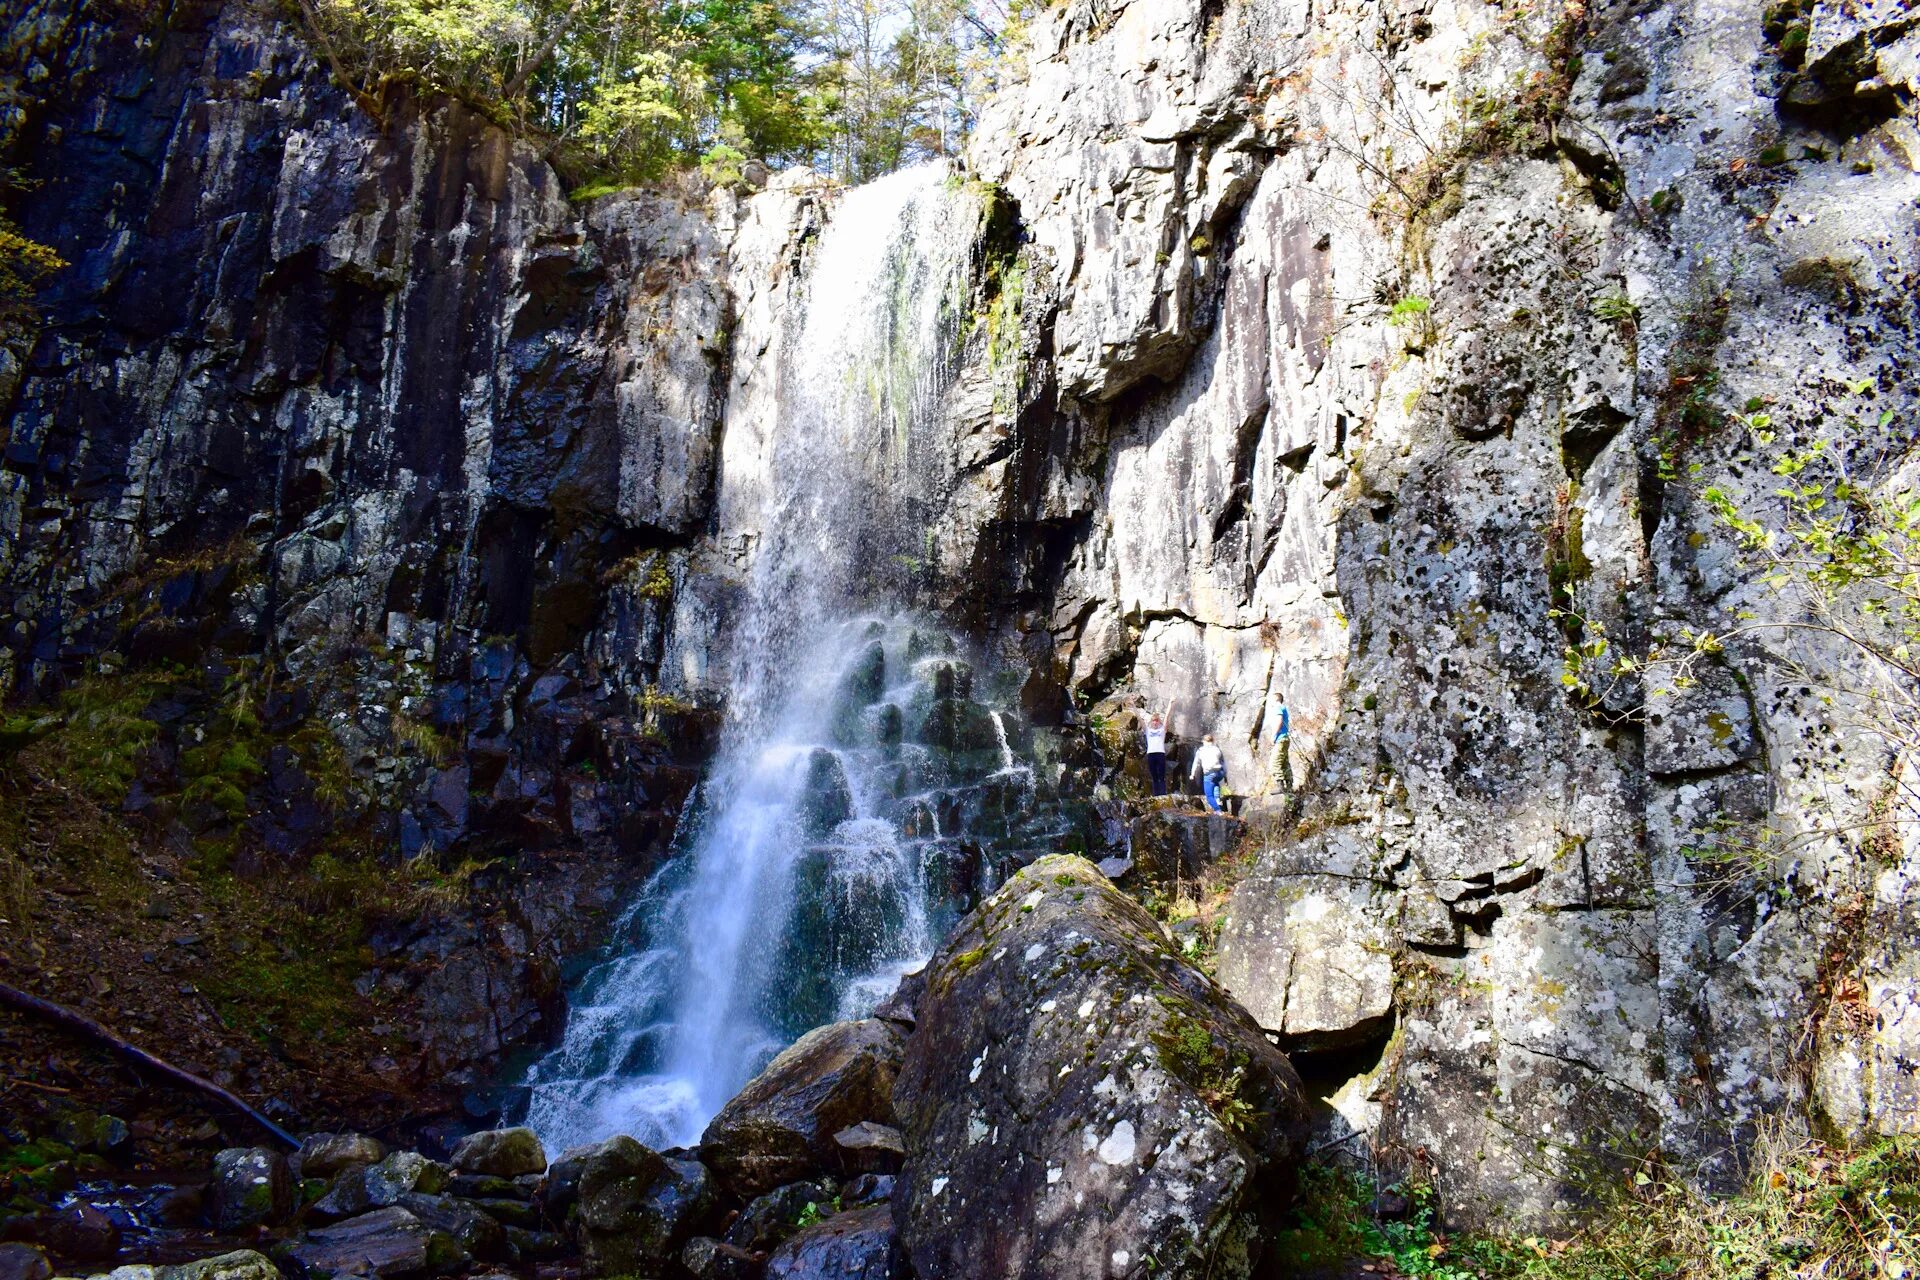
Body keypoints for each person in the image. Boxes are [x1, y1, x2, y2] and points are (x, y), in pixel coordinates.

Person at [1142, 701, 1172, 797]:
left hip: (1160, 754)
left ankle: (1163, 795)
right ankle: (1156, 795)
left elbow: (1167, 717)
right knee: (1154, 776)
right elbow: (1139, 719)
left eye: (1157, 720)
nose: (1155, 722)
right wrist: (1133, 706)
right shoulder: (1148, 730)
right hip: (1151, 754)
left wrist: (1170, 703)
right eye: (1153, 721)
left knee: (1161, 776)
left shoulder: (1162, 730)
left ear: (1159, 722)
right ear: (1151, 722)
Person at [1190, 733, 1226, 813]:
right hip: (1219, 773)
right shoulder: (1217, 749)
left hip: (1209, 774)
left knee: (1209, 797)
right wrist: (1225, 773)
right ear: (1213, 741)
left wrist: (1192, 774)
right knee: (1215, 781)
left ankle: (1218, 811)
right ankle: (1217, 798)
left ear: (1203, 741)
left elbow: (1195, 763)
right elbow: (1223, 762)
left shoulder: (1201, 750)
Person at [1268, 692, 1294, 795]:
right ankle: (1289, 785)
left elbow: (1279, 720)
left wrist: (1274, 735)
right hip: (1285, 738)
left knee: (1275, 762)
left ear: (1275, 699)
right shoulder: (1283, 707)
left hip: (1280, 739)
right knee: (1284, 762)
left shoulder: (1278, 708)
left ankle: (1280, 786)